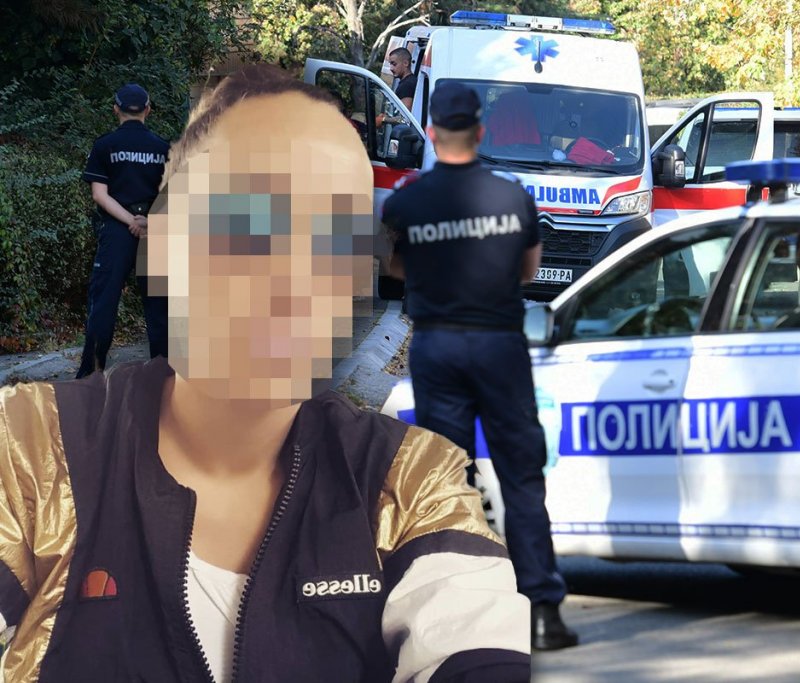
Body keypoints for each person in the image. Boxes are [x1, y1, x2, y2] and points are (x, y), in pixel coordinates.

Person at [0, 64, 529, 682]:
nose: (296, 274)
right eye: (249, 224)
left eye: (337, 235)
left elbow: (475, 636)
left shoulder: (409, 480)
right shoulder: (31, 449)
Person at [382, 81, 579, 651]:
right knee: (521, 475)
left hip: (438, 347)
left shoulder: (407, 201)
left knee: (446, 478)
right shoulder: (512, 197)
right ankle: (542, 613)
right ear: (480, 131)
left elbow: (393, 265)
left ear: (433, 132)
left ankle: (457, 614)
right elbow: (528, 271)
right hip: (498, 345)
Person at [77, 83, 170, 378]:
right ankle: (164, 379)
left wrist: (129, 220)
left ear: (115, 109)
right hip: (153, 233)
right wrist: (147, 222)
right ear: (148, 110)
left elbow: (99, 195)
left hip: (116, 231)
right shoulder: (164, 148)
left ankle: (91, 376)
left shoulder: (105, 146)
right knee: (160, 309)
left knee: (104, 302)